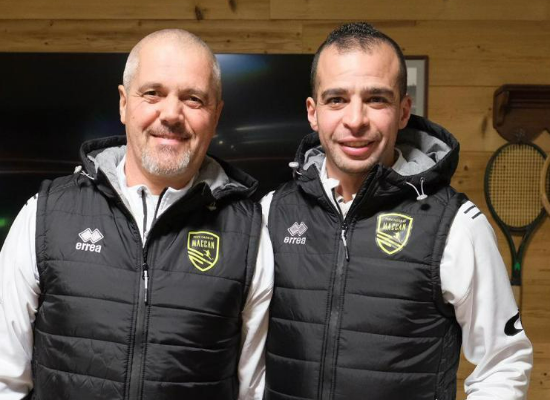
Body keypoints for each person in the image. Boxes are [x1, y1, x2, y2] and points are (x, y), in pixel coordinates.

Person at [261, 22, 533, 400]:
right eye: (336, 99)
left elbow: (502, 363)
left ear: (404, 111)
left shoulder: (456, 225)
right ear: (313, 112)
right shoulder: (271, 213)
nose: (355, 120)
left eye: (376, 99)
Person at [0, 29, 273, 400]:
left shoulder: (250, 233)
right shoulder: (44, 216)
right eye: (153, 93)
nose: (171, 114)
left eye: (193, 99)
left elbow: (253, 391)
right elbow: (5, 380)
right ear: (124, 103)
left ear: (216, 115)